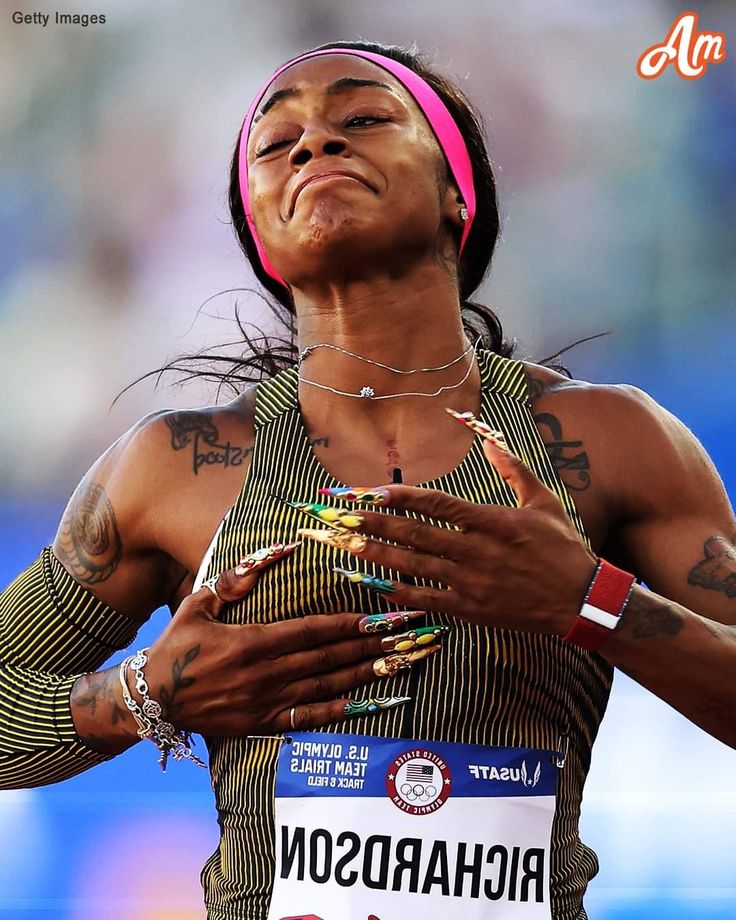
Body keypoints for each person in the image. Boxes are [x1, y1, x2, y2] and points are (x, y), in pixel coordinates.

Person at [1, 38, 735, 920]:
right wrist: (140, 696)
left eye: (362, 118)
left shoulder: (614, 441)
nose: (314, 145)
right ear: (260, 234)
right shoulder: (176, 467)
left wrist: (590, 601)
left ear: (458, 192)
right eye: (278, 145)